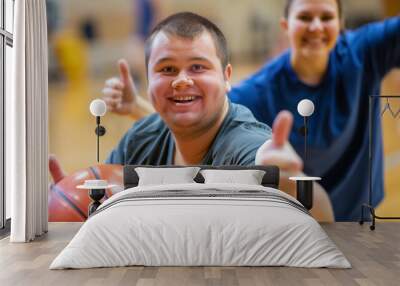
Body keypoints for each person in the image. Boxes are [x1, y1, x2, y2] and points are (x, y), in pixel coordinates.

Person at [103, 1, 400, 221]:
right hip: (302, 216)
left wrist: (292, 180)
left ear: (341, 23)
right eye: (305, 17)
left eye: (326, 17)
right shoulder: (260, 89)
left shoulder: (364, 52)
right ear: (286, 26)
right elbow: (194, 115)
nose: (316, 26)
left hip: (349, 213)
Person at [52, 12, 333, 221]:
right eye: (167, 69)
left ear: (226, 78)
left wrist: (291, 181)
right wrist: (72, 199)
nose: (182, 81)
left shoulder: (246, 148)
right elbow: (106, 196)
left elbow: (321, 222)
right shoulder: (141, 139)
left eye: (198, 67)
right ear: (147, 80)